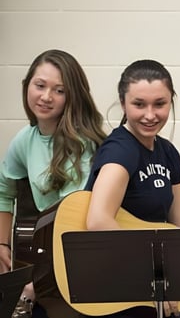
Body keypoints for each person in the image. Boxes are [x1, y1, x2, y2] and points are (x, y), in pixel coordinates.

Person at [0, 49, 106, 318]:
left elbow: (72, 223)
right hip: (47, 260)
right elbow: (3, 192)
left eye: (59, 90)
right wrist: (3, 246)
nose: (46, 97)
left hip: (81, 263)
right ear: (27, 86)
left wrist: (36, 286)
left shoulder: (82, 144)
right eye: (40, 85)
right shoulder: (26, 138)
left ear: (72, 96)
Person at [84, 59, 180, 318]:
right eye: (139, 104)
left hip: (150, 291)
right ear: (123, 103)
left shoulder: (168, 152)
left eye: (160, 104)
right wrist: (149, 277)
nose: (150, 115)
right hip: (116, 289)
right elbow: (98, 221)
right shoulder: (121, 150)